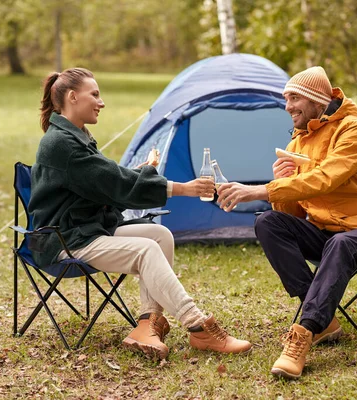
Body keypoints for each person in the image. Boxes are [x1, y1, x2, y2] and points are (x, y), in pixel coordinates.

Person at [29, 67, 252, 360]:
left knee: (159, 235)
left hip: (86, 229)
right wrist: (185, 188)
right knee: (145, 250)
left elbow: (107, 180)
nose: (101, 102)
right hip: (64, 239)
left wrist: (139, 175)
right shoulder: (62, 143)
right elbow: (115, 183)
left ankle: (148, 323)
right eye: (94, 94)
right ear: (72, 97)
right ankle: (199, 327)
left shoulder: (76, 136)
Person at [217, 66, 357, 379]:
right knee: (268, 222)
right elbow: (293, 216)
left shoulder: (354, 131)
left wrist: (260, 189)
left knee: (341, 243)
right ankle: (323, 319)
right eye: (286, 99)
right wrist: (281, 187)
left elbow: (326, 179)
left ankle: (304, 332)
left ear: (316, 100)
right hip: (324, 233)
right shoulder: (297, 145)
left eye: (294, 98)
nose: (287, 106)